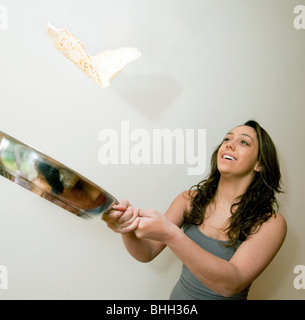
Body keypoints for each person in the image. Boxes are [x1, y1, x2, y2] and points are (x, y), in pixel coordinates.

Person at [102, 120, 287, 300]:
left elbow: (230, 284)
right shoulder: (189, 200)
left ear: (260, 164)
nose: (229, 145)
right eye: (227, 139)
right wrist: (126, 226)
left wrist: (171, 234)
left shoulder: (270, 223)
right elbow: (147, 252)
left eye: (244, 142)